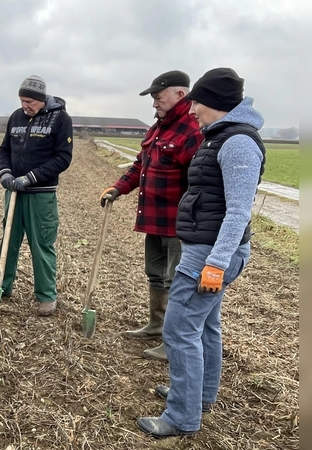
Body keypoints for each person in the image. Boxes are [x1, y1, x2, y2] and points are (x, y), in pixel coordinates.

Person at [137, 68, 266, 438]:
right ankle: (197, 396)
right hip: (205, 247)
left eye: (197, 102)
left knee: (179, 331)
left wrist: (216, 264)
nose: (191, 110)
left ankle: (180, 416)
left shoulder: (238, 142)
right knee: (206, 326)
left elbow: (239, 211)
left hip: (210, 253)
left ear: (217, 104)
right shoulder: (218, 137)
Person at [99, 70, 203, 361]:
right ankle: (157, 325)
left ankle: (174, 341)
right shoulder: (159, 127)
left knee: (176, 281)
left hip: (178, 224)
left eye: (158, 98)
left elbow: (200, 181)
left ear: (179, 95)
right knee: (156, 274)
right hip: (154, 219)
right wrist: (118, 189)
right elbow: (139, 166)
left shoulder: (192, 130)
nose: (154, 104)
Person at [0, 76, 73, 316]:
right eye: (21, 100)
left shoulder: (60, 119)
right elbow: (4, 150)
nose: (24, 106)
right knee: (8, 241)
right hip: (14, 192)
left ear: (41, 99)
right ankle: (1, 287)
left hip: (41, 194)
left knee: (41, 244)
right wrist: (5, 174)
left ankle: (47, 296)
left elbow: (63, 158)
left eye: (29, 101)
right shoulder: (16, 117)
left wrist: (30, 178)